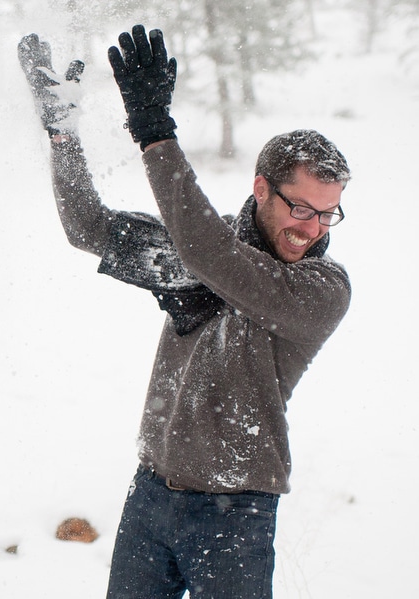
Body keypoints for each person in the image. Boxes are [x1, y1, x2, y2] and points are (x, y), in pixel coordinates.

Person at [18, 26, 351, 598]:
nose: (313, 228)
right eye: (301, 207)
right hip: (151, 496)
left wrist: (155, 135)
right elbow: (88, 227)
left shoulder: (320, 286)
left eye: (328, 215)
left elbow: (213, 256)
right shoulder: (205, 247)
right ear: (262, 189)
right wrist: (62, 132)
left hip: (235, 510)